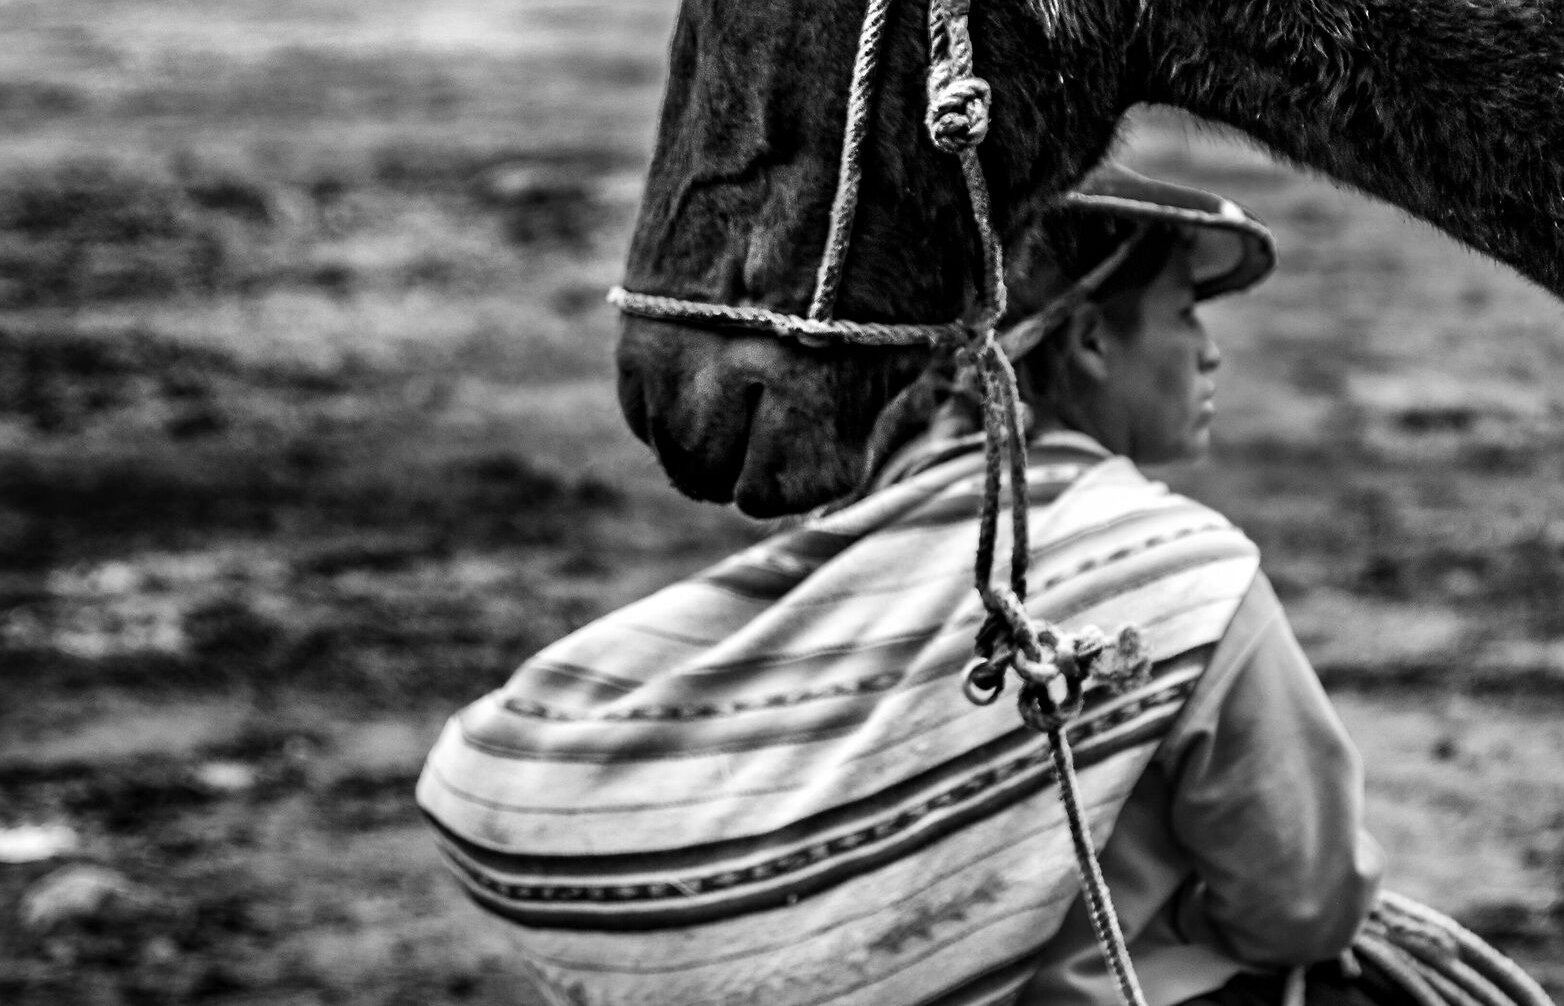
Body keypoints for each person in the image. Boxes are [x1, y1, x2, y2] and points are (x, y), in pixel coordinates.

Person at [418, 165, 1384, 1006]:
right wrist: (1177, 930)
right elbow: (1305, 899)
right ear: (1091, 338)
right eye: (1184, 312)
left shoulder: (863, 546)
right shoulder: (1187, 574)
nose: (1210, 350)